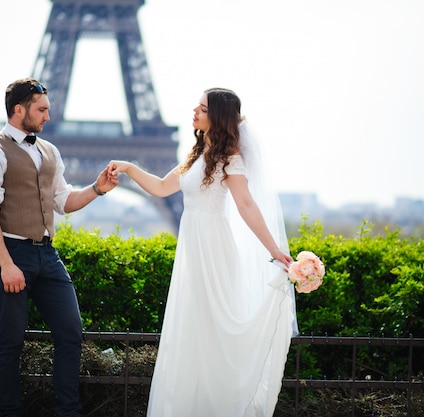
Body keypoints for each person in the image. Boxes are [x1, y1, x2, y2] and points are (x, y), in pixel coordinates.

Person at [108, 87, 298, 417]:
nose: (194, 111)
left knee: (213, 331)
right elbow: (160, 187)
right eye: (197, 106)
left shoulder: (230, 159)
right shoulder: (197, 156)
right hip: (192, 250)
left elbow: (247, 205)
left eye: (203, 108)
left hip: (213, 249)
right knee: (192, 331)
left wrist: (276, 250)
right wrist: (128, 167)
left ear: (218, 117)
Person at [0, 77, 118, 417]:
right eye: (42, 109)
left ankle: (68, 411)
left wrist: (97, 188)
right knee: (11, 341)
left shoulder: (50, 151)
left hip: (47, 256)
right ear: (18, 110)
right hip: (12, 253)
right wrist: (5, 264)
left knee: (70, 332)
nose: (48, 116)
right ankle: (9, 412)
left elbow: (63, 201)